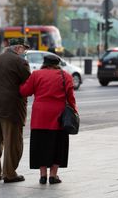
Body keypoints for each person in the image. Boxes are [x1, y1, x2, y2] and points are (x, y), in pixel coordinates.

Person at [19, 54, 78, 184]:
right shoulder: (65, 76)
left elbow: (24, 91)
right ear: (57, 64)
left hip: (40, 117)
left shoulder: (36, 75)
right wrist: (74, 111)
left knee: (40, 145)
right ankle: (53, 175)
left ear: (44, 63)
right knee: (58, 146)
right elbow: (71, 98)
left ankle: (43, 175)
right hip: (58, 117)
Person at [0, 38, 31, 183]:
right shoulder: (20, 62)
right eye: (24, 49)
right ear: (18, 48)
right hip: (11, 108)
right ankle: (9, 173)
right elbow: (28, 85)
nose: (25, 52)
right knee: (12, 141)